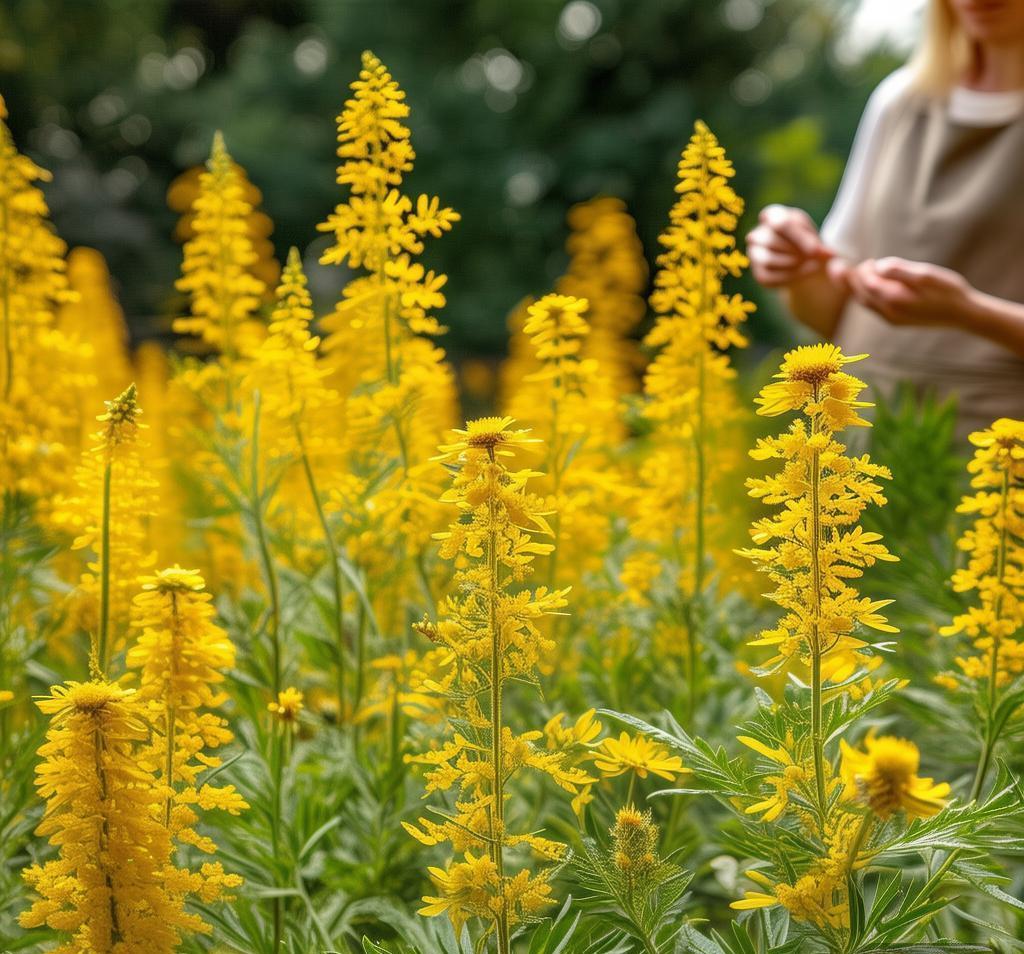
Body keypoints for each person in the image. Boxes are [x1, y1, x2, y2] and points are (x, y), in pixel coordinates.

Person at [746, 0, 1024, 439]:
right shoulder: (899, 101)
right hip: (859, 441)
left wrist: (969, 314)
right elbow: (832, 314)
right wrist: (796, 267)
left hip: (995, 462)